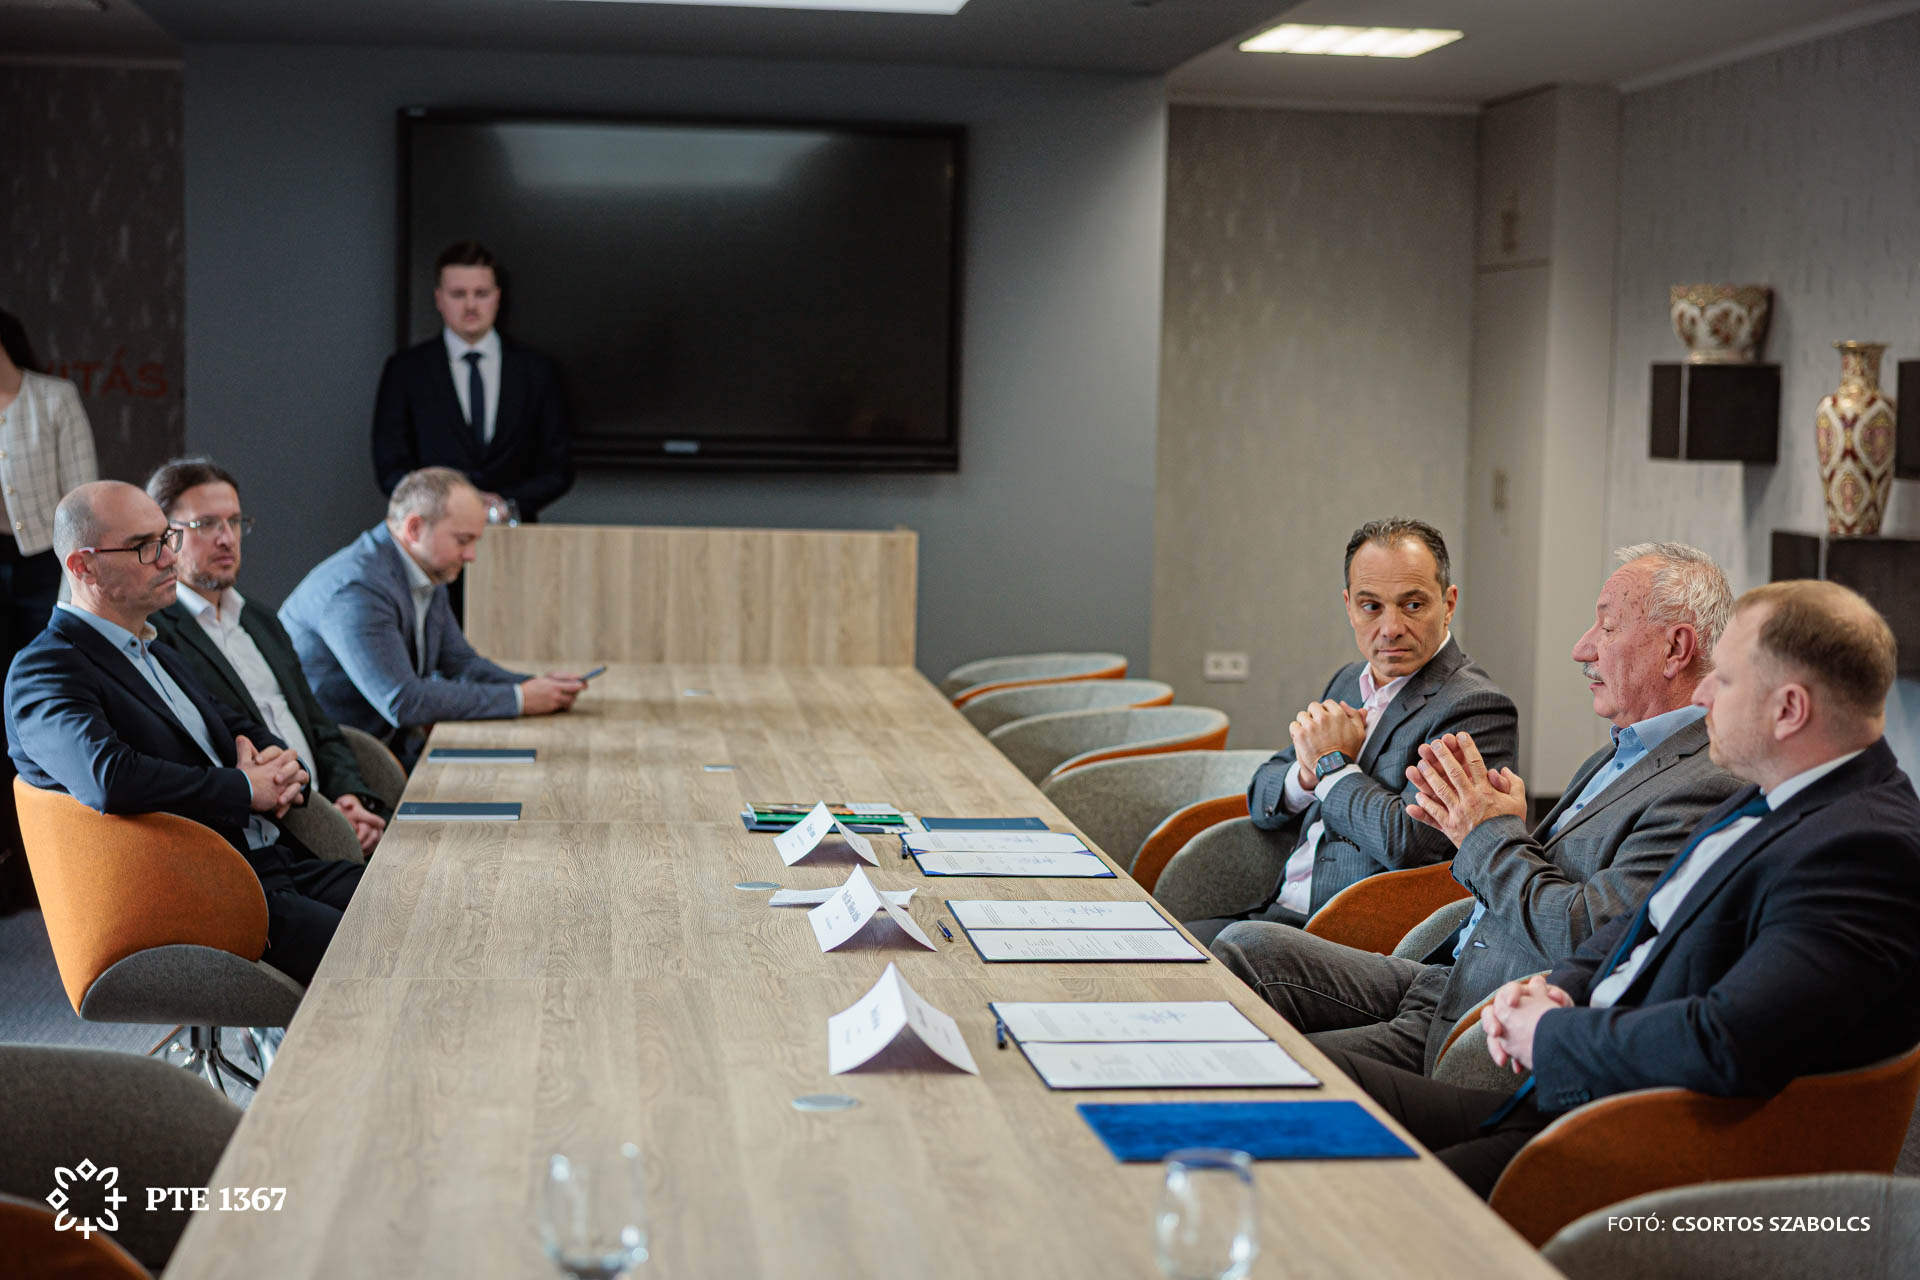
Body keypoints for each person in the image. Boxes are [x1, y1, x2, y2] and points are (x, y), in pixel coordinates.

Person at [1314, 579, 1920, 1197]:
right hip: (1579, 1102)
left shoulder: (1863, 850)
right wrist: (1559, 986)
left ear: (1788, 710)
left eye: (1726, 678)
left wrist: (1549, 1036)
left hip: (1645, 1150)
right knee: (1311, 1082)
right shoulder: (1777, 791)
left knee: (1364, 1192)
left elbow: (1728, 1041)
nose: (1703, 692)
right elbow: (1640, 924)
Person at [1212, 543, 1743, 1074]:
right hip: (1445, 966)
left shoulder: (1705, 786)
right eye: (1371, 605)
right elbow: (1265, 790)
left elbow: (1583, 933)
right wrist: (1506, 829)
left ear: (1675, 649)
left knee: (1267, 1066)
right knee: (1243, 945)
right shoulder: (1621, 747)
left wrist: (1486, 829)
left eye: (1606, 627)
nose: (1582, 648)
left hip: (1485, 1010)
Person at [5, 481, 362, 986]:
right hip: (197, 895)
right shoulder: (45, 669)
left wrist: (283, 766)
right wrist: (245, 789)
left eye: (167, 539)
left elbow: (238, 727)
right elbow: (110, 778)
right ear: (83, 567)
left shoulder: (156, 649)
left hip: (268, 865)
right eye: (144, 547)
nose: (169, 558)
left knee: (421, 899)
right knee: (381, 951)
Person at [1184, 518, 1517, 946]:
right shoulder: (1348, 680)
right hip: (1277, 912)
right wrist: (1307, 775)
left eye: (1413, 605)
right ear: (1349, 606)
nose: (1391, 628)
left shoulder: (1476, 706)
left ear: (1448, 604)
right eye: (1371, 606)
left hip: (1354, 938)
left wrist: (1331, 763)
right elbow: (1262, 793)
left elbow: (1407, 842)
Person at [145, 457, 390, 855]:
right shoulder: (154, 634)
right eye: (206, 524)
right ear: (165, 536)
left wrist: (348, 797)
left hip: (332, 810)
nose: (226, 538)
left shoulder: (261, 619)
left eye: (234, 522)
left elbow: (320, 727)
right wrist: (326, 821)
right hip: (270, 830)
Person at [279, 467, 584, 768]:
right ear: (414, 528)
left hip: (388, 750)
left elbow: (461, 663)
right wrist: (519, 698)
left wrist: (537, 686)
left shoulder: (427, 570)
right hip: (339, 765)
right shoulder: (357, 589)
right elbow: (403, 701)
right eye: (462, 540)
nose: (471, 555)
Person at [0, 307, 100, 907]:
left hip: (46, 563)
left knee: (44, 704)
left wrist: (74, 584)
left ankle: (52, 863)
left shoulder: (52, 399)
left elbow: (83, 499)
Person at [371, 241, 573, 522]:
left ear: (497, 297)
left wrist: (507, 504)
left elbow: (559, 467)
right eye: (458, 294)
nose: (470, 305)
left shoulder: (537, 371)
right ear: (439, 299)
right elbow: (391, 467)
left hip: (514, 535)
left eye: (481, 293)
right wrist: (445, 504)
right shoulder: (405, 371)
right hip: (433, 533)